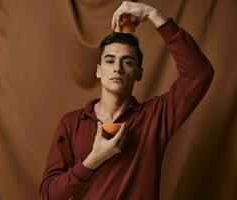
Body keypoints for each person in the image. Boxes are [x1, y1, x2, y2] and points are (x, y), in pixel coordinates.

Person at [39, 1, 214, 200]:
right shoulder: (71, 123)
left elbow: (200, 73)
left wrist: (152, 14)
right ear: (99, 70)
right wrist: (94, 160)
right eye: (110, 60)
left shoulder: (156, 116)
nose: (118, 68)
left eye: (128, 62)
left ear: (138, 73)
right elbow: (49, 194)